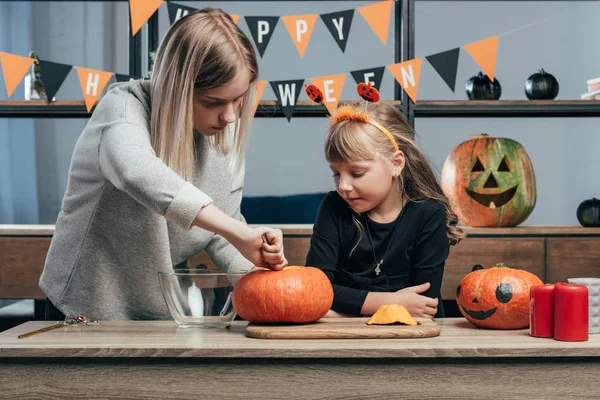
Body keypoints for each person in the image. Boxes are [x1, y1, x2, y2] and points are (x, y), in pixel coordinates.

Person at [39, 8, 287, 321]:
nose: (230, 116)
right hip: (81, 309)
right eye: (214, 102)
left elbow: (220, 235)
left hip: (160, 311)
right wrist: (238, 231)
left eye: (238, 100)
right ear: (177, 88)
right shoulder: (121, 112)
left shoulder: (223, 129)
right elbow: (137, 173)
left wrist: (264, 278)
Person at [305, 101, 464, 319]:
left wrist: (342, 308)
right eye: (336, 174)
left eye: (357, 173)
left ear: (396, 163)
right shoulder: (333, 207)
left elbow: (424, 306)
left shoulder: (428, 214)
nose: (343, 186)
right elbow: (314, 290)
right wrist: (392, 302)